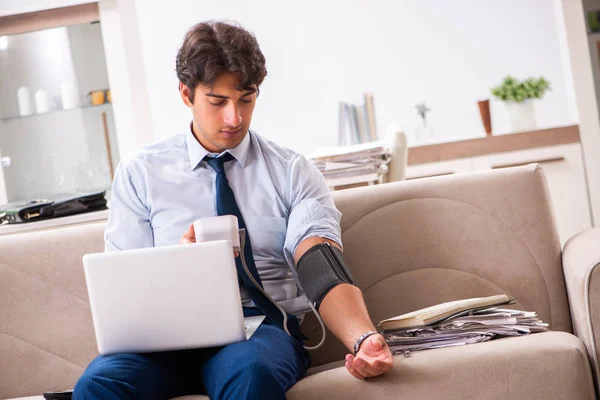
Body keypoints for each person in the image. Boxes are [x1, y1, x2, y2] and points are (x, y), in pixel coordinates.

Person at [73, 20, 393, 400]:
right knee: (98, 385)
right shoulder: (140, 173)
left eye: (246, 98)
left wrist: (363, 337)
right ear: (186, 94)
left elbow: (318, 260)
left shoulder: (290, 171)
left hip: (257, 333)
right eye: (217, 101)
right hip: (162, 341)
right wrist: (179, 265)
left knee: (252, 374)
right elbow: (124, 287)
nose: (234, 118)